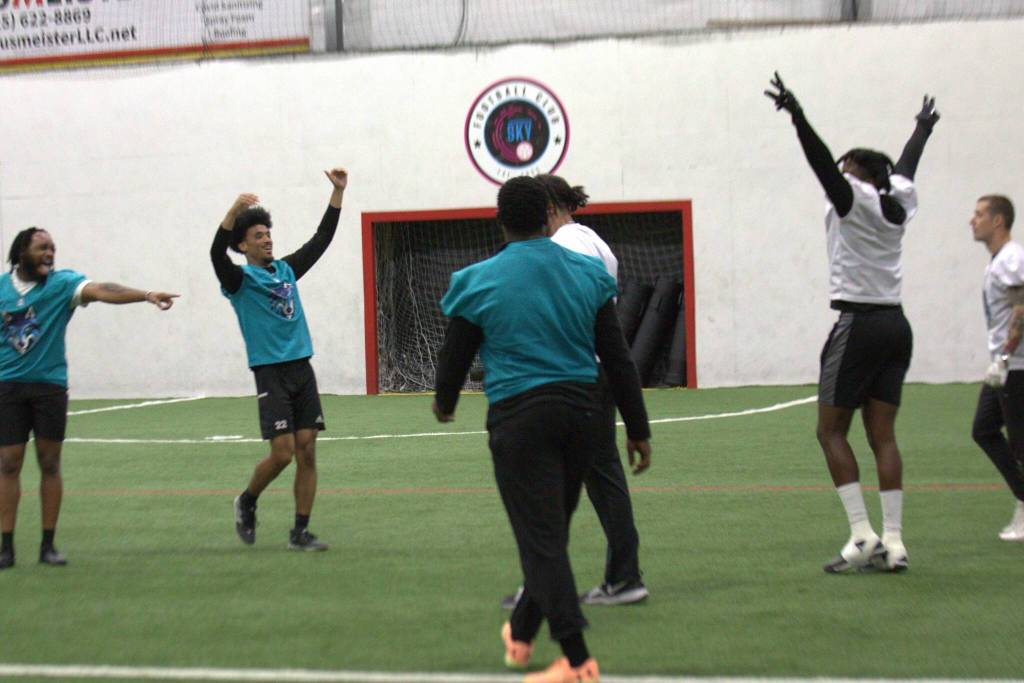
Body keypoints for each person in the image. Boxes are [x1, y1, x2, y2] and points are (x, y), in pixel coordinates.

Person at [433, 176, 652, 683]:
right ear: (547, 215)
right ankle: (523, 633)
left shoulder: (478, 278)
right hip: (585, 414)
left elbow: (455, 355)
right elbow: (617, 358)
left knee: (541, 541)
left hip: (521, 417)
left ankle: (577, 661)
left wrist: (445, 402)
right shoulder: (587, 273)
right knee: (550, 532)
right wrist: (637, 427)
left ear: (502, 220)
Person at [765, 73, 939, 573]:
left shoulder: (854, 200)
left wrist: (797, 116)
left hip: (859, 324)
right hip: (896, 325)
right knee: (882, 434)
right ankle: (896, 541)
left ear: (857, 176)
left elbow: (822, 163)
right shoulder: (898, 199)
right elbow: (905, 166)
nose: (838, 171)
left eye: (846, 167)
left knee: (829, 432)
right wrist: (922, 129)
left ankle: (862, 535)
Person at [499, 174, 646, 607]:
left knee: (543, 487)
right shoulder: (594, 241)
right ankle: (624, 577)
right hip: (593, 376)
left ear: (546, 209)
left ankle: (545, 585)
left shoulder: (566, 247)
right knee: (603, 482)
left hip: (568, 377)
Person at [0, 228, 177, 569]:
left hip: (49, 387)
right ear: (21, 251)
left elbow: (102, 290)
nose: (50, 253)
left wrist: (147, 294)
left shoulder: (62, 284)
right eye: (42, 248)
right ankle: (5, 547)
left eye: (53, 248)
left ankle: (47, 546)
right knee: (8, 463)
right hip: (8, 388)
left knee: (50, 463)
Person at [211, 168, 347, 552]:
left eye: (268, 234)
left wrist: (337, 193)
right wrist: (234, 209)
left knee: (307, 448)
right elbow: (213, 253)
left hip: (301, 367)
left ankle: (300, 531)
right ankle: (248, 499)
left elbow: (321, 240)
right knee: (283, 452)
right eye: (257, 236)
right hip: (270, 372)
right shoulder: (239, 282)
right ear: (243, 246)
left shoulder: (286, 270)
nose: (266, 239)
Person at [970, 195, 1024, 541]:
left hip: (1017, 366)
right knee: (984, 429)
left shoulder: (1012, 259)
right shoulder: (998, 261)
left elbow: (1022, 304)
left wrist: (1010, 347)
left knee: (1020, 445)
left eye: (979, 214)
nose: (972, 220)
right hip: (1004, 366)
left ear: (998, 221)